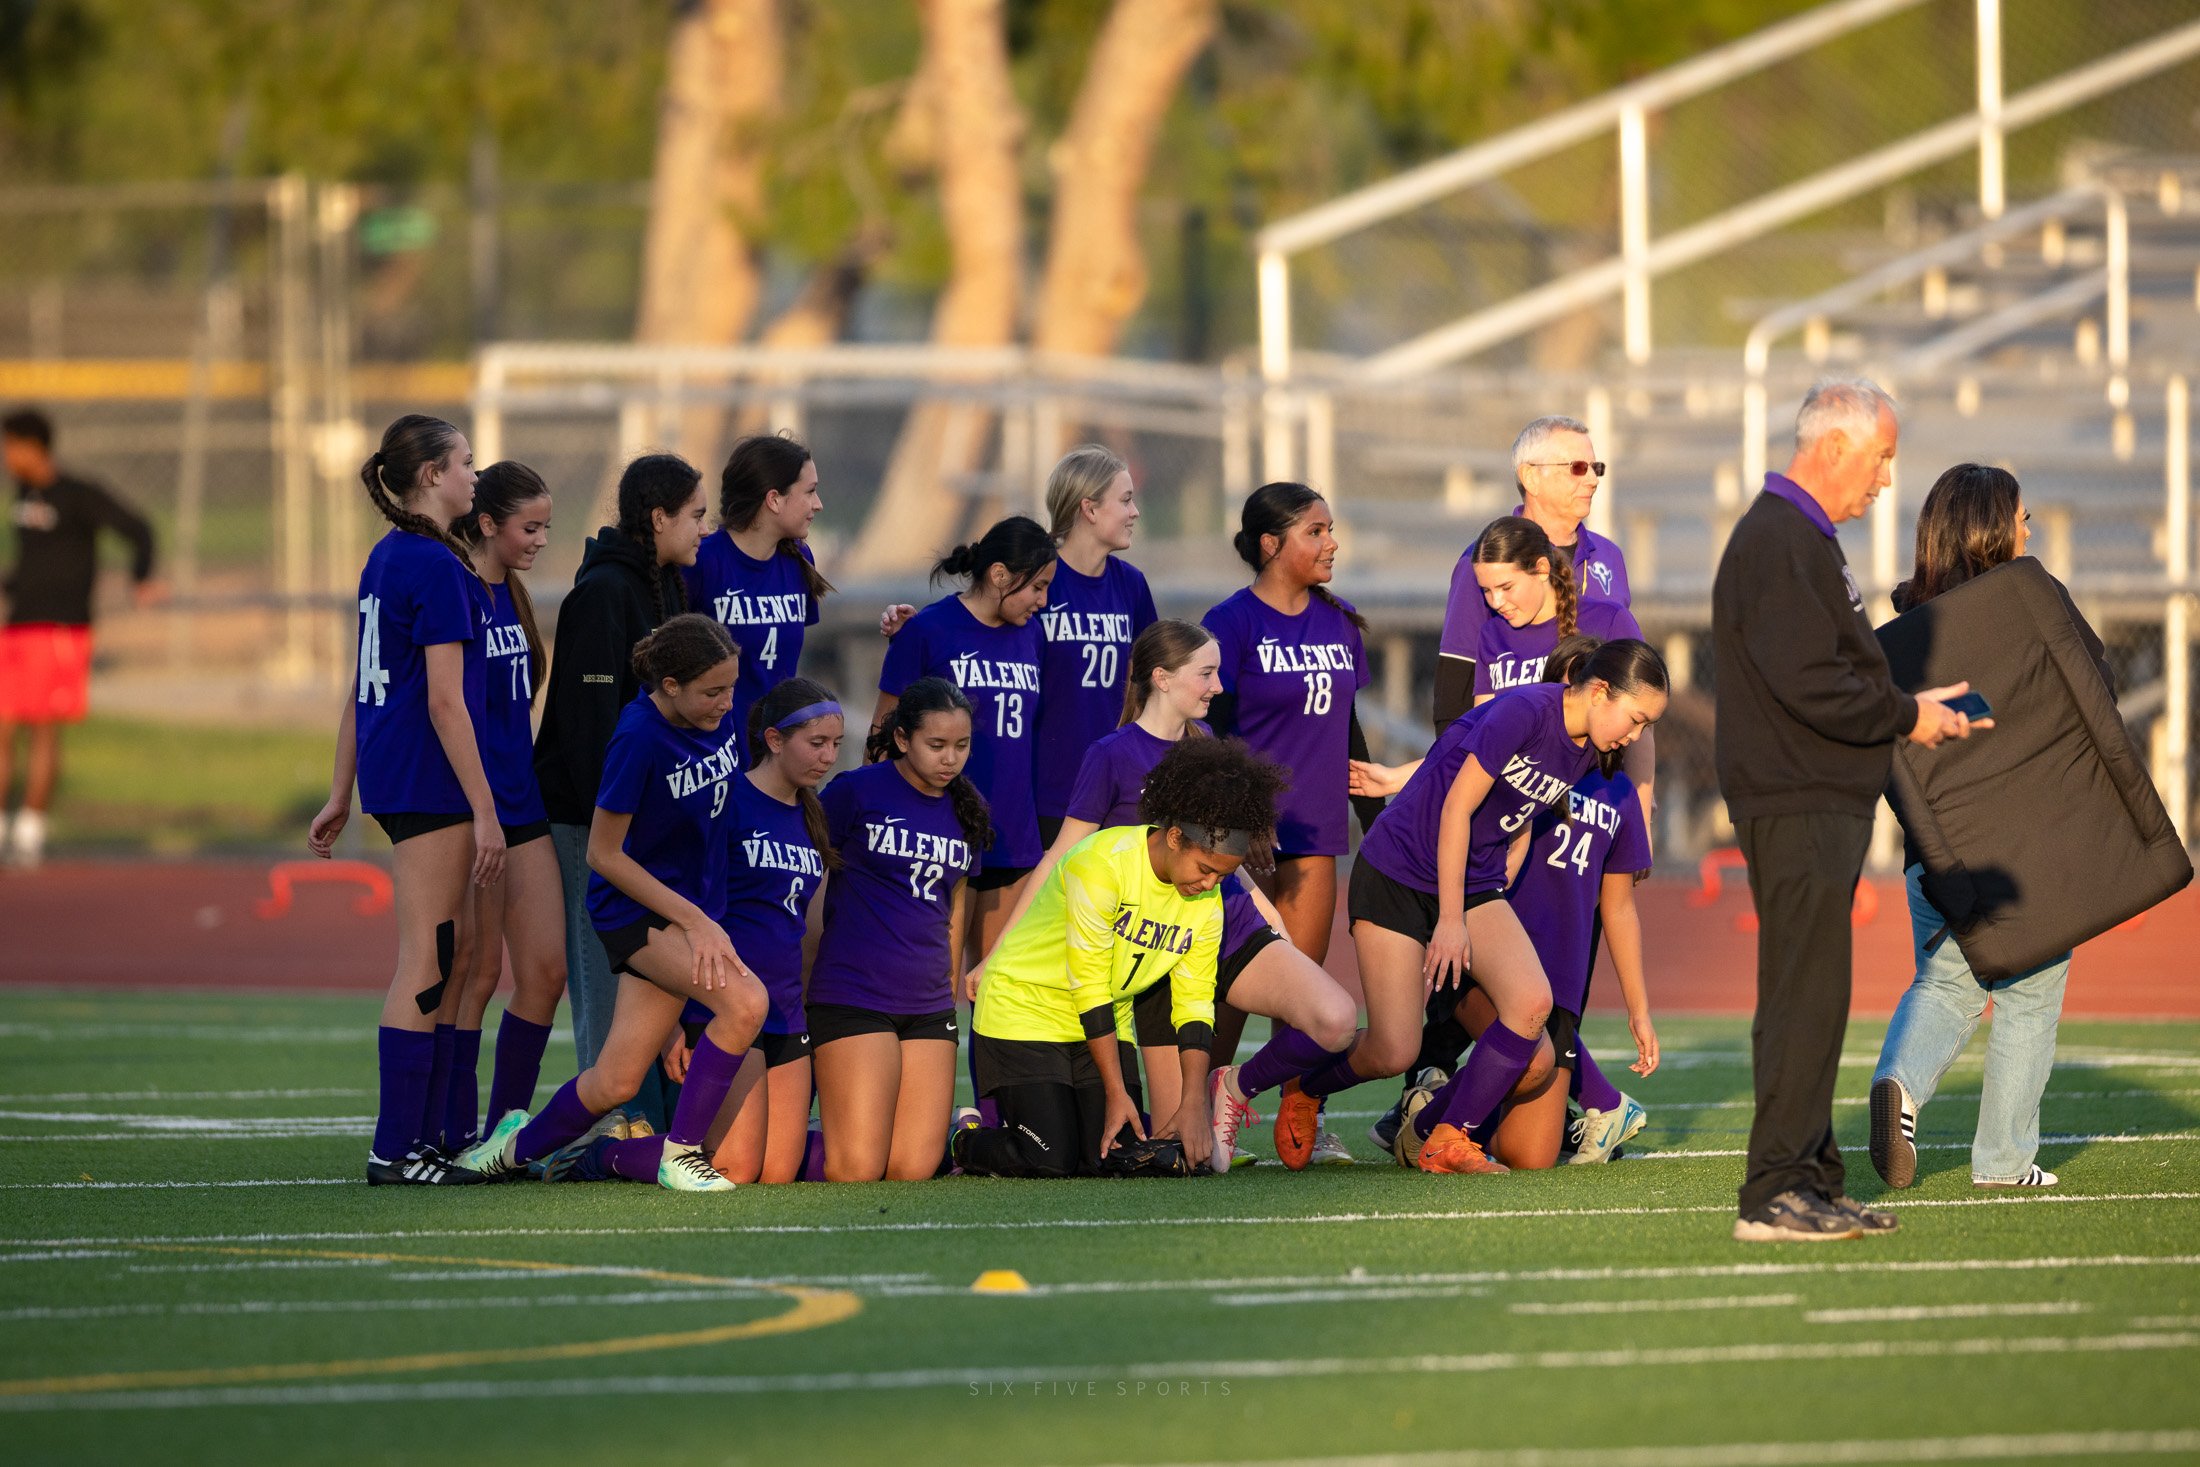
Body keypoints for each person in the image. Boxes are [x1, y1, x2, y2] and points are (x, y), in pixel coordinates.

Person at [1713, 378, 1981, 1243]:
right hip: (1794, 798)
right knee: (1802, 994)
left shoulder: (1804, 538)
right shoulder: (1778, 538)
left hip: (1818, 798)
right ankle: (1774, 1191)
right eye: (1880, 457)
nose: (1885, 478)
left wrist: (1907, 703)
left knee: (1820, 998)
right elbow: (1809, 681)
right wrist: (1907, 716)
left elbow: (1833, 669)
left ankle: (1812, 1181)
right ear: (1833, 446)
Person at [976, 619, 1358, 1166]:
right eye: (1206, 673)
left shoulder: (1210, 747)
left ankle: (1235, 1087)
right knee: (1174, 1152)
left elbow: (1227, 861)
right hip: (1152, 948)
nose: (1218, 686)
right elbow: (1061, 855)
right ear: (1161, 678)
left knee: (1334, 1019)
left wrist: (1268, 915)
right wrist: (996, 952)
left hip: (1221, 921)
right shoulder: (1110, 754)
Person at [458, 614, 766, 1192]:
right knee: (747, 1003)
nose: (728, 703)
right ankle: (680, 1153)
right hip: (636, 912)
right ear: (670, 685)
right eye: (713, 691)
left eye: (731, 687)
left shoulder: (716, 716)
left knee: (617, 1081)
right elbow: (603, 854)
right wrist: (695, 920)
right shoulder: (638, 737)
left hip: (687, 909)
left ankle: (508, 1150)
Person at [1871, 464, 2104, 1192]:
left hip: (1933, 852)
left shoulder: (1901, 629)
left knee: (1947, 984)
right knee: (2032, 990)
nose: (2029, 532)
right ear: (1993, 530)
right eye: (2022, 518)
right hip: (2023, 845)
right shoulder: (2033, 598)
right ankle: (2003, 1160)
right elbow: (2097, 684)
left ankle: (1899, 1083)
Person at [1357, 640, 1666, 1175]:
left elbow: (1619, 909)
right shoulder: (1533, 733)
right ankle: (1431, 1115)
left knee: (1531, 1154)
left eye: (1646, 726)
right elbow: (1459, 761)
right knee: (1434, 1039)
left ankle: (1430, 1118)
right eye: (1636, 720)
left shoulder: (1610, 785)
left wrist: (1639, 1011)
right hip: (1482, 950)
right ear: (1590, 691)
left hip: (1559, 989)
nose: (1636, 736)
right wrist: (1395, 778)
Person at [951, 737, 1290, 1178]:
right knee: (1050, 1159)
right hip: (1025, 1010)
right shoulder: (1102, 865)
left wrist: (1193, 1103)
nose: (1210, 885)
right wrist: (1115, 1091)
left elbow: (1194, 1001)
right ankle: (965, 1138)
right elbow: (1089, 985)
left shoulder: (1206, 901)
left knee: (1112, 1157)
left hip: (1105, 1022)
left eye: (1221, 877)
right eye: (1206, 869)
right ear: (1174, 837)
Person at [307, 414, 500, 1186]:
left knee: (453, 954)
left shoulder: (390, 556)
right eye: (465, 463)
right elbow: (445, 705)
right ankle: (396, 1149)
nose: (475, 475)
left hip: (403, 774)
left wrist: (341, 788)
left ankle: (430, 1137)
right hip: (429, 777)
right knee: (431, 955)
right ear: (431, 475)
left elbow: (362, 687)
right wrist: (486, 809)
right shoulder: (432, 565)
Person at [532, 453, 708, 1130]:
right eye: (695, 516)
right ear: (659, 517)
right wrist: (617, 828)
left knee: (650, 971)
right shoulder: (604, 593)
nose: (703, 529)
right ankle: (607, 1129)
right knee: (604, 973)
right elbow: (587, 731)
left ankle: (645, 1123)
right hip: (594, 826)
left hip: (643, 830)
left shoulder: (668, 586)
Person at [1202, 482, 1376, 1165]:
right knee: (1229, 987)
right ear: (1272, 544)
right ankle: (1197, 1116)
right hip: (1239, 835)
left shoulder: (1341, 622)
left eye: (1331, 529)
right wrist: (1236, 822)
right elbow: (1210, 733)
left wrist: (1378, 825)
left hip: (1316, 833)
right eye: (1316, 531)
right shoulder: (1230, 622)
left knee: (1302, 989)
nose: (1331, 542)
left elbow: (1351, 735)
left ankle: (1304, 1112)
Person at [812, 678, 987, 1181]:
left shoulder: (967, 807)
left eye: (961, 746)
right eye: (937, 745)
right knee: (858, 1169)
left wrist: (946, 992)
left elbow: (955, 904)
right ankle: (789, 1139)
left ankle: (951, 1127)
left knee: (913, 1169)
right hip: (854, 995)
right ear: (903, 738)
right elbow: (806, 878)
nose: (950, 759)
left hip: (927, 1005)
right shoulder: (855, 791)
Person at [439, 462, 566, 1153]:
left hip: (523, 805)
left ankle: (500, 1137)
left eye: (545, 526)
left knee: (545, 970)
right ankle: (451, 1129)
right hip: (475, 809)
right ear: (487, 523)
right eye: (530, 527)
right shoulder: (458, 591)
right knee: (476, 970)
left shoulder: (511, 595)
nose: (541, 539)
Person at [873, 516, 1054, 973]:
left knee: (1000, 984)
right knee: (938, 981)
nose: (1043, 601)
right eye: (1037, 587)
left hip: (1011, 832)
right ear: (999, 575)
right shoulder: (926, 630)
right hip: (943, 827)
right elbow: (882, 737)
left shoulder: (1033, 634)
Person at [0, 408, 158, 868]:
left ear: (33, 447)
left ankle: (30, 830)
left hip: (61, 627)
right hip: (18, 624)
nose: (7, 457)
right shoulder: (22, 495)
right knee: (4, 726)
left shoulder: (79, 494)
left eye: (12, 447)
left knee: (43, 726)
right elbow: (34, 563)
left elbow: (139, 529)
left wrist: (141, 576)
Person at [1434, 414, 1630, 727]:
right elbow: (1454, 690)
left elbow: (1631, 681)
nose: (1593, 480)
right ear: (1530, 477)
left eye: (1596, 468)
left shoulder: (1609, 556)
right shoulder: (1483, 562)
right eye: (1578, 468)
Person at [1029, 445, 1158, 846]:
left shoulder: (1131, 584)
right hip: (1046, 787)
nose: (1135, 512)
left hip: (1117, 787)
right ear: (1089, 508)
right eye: (1125, 500)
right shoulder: (1037, 580)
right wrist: (906, 625)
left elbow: (1150, 680)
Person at [682, 433, 831, 743]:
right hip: (713, 750)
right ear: (774, 499)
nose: (818, 504)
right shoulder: (702, 560)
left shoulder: (800, 558)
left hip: (774, 751)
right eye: (810, 491)